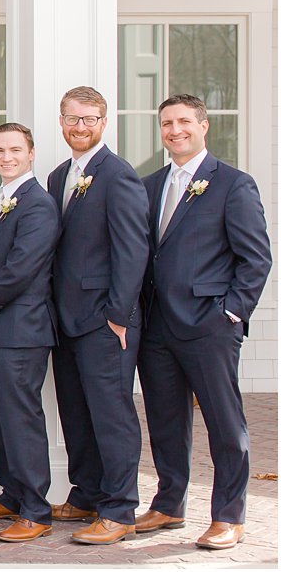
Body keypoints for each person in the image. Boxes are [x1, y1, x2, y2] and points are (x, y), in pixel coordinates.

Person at [136, 93, 271, 551]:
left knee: (224, 422)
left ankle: (229, 515)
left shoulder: (233, 184)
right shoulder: (149, 184)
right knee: (165, 420)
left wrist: (231, 313)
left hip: (209, 324)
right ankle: (169, 503)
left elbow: (256, 259)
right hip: (156, 327)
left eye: (183, 122)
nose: (175, 131)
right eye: (167, 124)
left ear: (203, 125)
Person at [43, 86, 148, 545]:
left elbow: (132, 250)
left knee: (112, 415)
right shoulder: (56, 176)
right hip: (65, 320)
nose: (79, 127)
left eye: (88, 119)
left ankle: (120, 508)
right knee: (76, 413)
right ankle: (86, 493)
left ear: (103, 123)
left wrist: (119, 316)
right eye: (72, 119)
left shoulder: (118, 175)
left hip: (105, 321)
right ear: (61, 121)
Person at [0, 123, 60, 542]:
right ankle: (13, 494)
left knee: (20, 419)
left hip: (22, 330)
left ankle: (36, 509)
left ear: (31, 153)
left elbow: (21, 267)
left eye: (14, 149)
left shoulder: (38, 204)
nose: (5, 157)